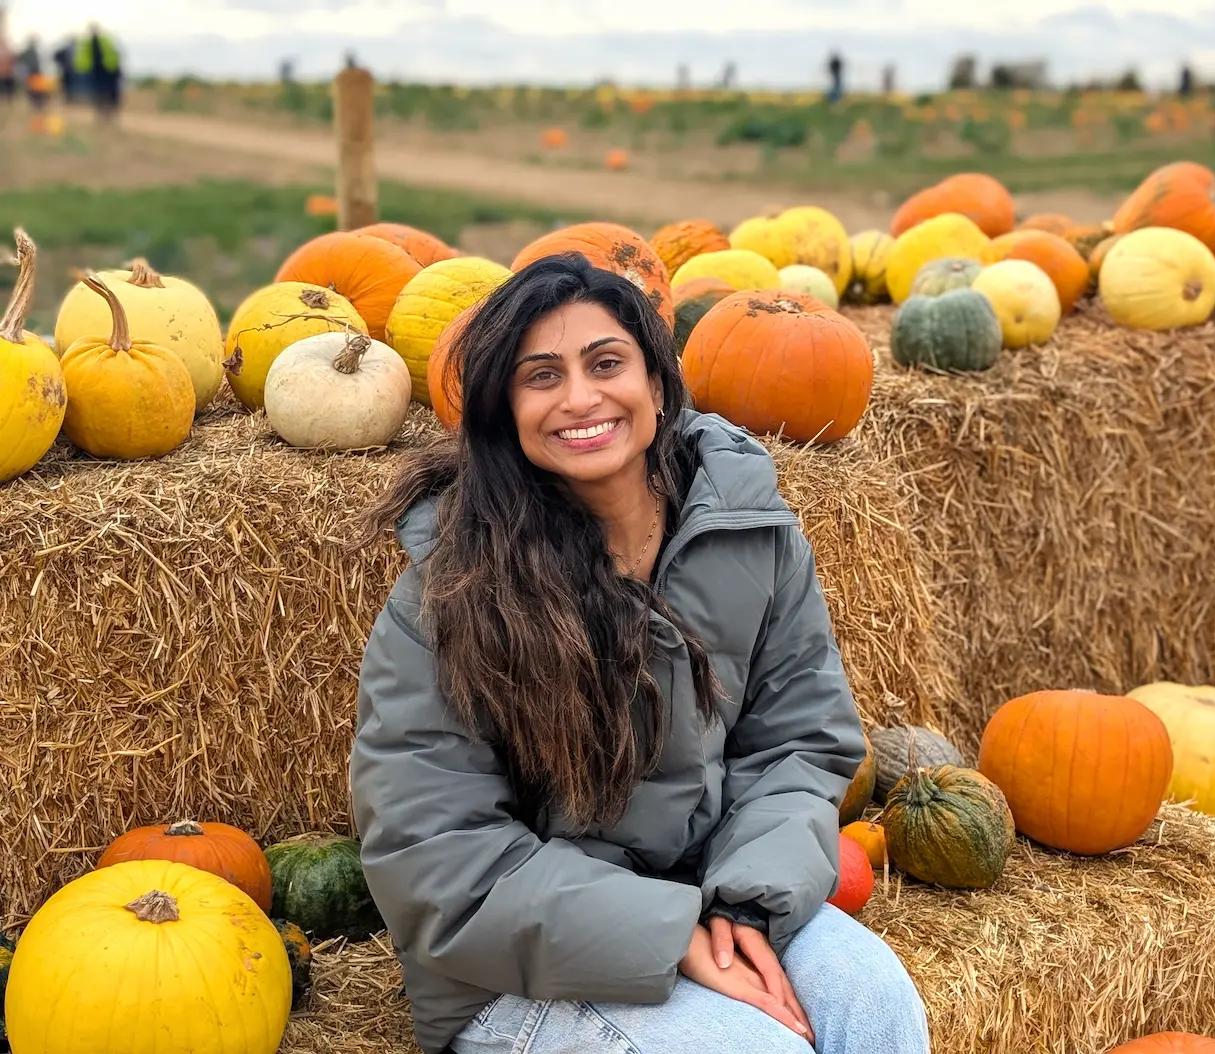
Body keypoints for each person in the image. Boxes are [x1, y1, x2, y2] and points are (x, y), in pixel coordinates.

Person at [350, 253, 929, 1054]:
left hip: (705, 893)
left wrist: (741, 910)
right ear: (505, 412)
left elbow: (799, 743)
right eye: (541, 376)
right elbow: (439, 855)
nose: (580, 397)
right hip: (513, 970)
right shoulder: (449, 594)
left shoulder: (753, 536)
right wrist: (674, 935)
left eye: (606, 363)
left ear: (658, 385)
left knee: (874, 1003)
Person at [73, 22, 120, 120]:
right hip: (96, 72)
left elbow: (114, 54)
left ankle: (110, 113)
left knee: (109, 93)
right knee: (98, 94)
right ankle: (102, 113)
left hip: (108, 71)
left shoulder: (105, 40)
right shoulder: (88, 43)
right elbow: (81, 59)